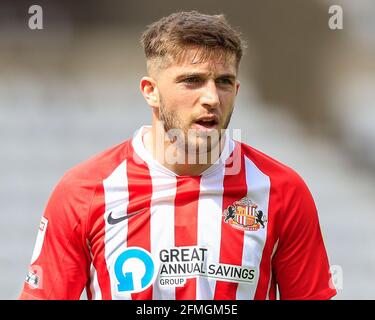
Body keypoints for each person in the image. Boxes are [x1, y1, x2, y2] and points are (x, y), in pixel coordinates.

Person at [19, 11, 336, 300]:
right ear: (150, 91)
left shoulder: (281, 191)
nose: (211, 98)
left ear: (237, 91)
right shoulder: (84, 191)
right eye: (192, 81)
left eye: (223, 82)